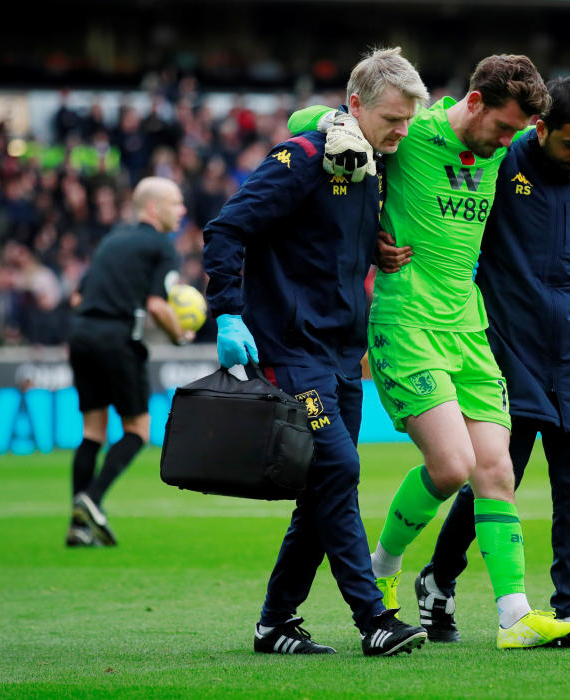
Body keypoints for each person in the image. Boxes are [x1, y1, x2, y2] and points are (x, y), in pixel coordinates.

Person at [288, 56, 570, 650]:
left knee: (497, 471)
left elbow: (551, 150)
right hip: (406, 324)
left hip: (468, 328)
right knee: (454, 466)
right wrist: (335, 123)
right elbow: (299, 118)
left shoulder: (499, 149)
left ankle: (515, 617)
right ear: (477, 103)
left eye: (518, 134)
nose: (508, 143)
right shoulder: (410, 134)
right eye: (504, 128)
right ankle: (385, 565)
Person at [379, 77, 570, 643]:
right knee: (495, 474)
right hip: (508, 345)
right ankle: (439, 580)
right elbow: (443, 215)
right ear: (540, 129)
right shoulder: (499, 161)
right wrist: (378, 235)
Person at [202, 48, 430, 658]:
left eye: (409, 121)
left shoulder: (369, 165)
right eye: (392, 119)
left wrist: (373, 252)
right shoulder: (302, 157)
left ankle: (274, 624)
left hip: (340, 354)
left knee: (320, 488)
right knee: (339, 470)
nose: (402, 132)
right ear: (354, 105)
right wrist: (226, 310)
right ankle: (373, 620)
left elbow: (323, 242)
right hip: (291, 348)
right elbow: (227, 228)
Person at [67, 176, 191, 547]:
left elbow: (76, 298)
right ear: (153, 208)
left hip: (82, 334)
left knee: (93, 431)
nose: (182, 210)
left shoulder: (112, 241)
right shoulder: (162, 247)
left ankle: (78, 527)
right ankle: (91, 499)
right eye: (175, 203)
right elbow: (156, 305)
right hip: (117, 338)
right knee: (137, 430)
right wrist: (178, 335)